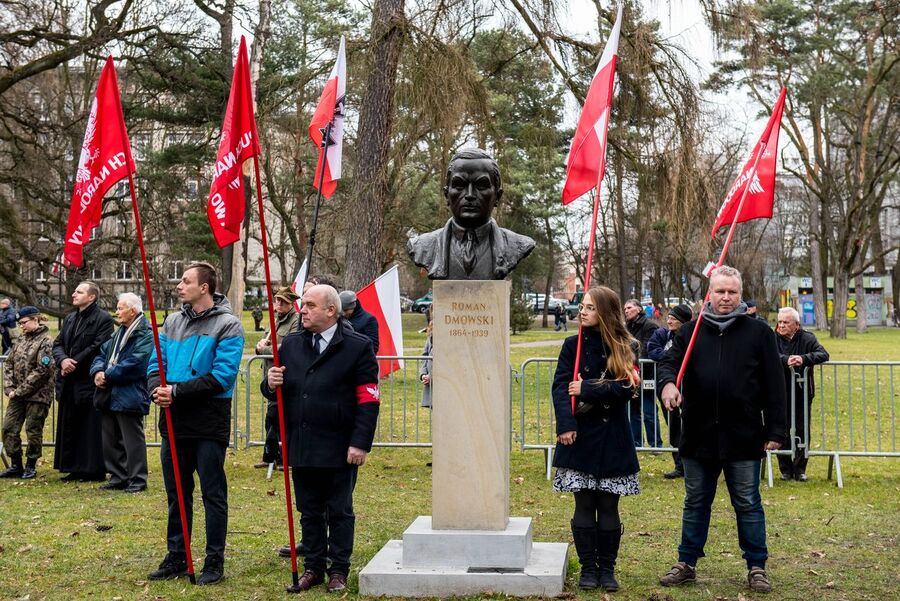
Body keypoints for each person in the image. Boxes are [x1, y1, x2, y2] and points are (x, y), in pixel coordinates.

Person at [656, 265, 786, 594]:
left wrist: (775, 430)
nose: (726, 297)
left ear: (740, 295)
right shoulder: (689, 331)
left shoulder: (759, 333)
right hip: (698, 433)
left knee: (747, 502)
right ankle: (686, 562)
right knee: (696, 501)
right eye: (720, 291)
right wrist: (668, 384)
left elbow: (775, 384)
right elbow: (667, 362)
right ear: (708, 294)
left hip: (743, 435)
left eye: (732, 292)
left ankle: (757, 565)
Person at [263, 284, 380, 593]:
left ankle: (338, 569)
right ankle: (314, 566)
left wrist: (360, 442)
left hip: (340, 444)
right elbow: (276, 390)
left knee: (339, 510)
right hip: (301, 441)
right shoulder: (290, 344)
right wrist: (269, 382)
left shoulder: (357, 345)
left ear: (331, 311)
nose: (303, 310)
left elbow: (369, 399)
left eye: (311, 305)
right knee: (309, 509)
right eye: (303, 304)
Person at [146, 263, 244, 586]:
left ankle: (214, 560)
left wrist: (175, 391)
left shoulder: (229, 326)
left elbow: (221, 377)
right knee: (177, 493)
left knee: (212, 494)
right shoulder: (172, 322)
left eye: (186, 280)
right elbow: (154, 362)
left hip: (208, 423)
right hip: (173, 423)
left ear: (205, 287)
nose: (179, 285)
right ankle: (177, 554)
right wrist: (155, 389)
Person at [551, 286, 641, 592]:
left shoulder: (624, 346)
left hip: (613, 438)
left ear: (604, 311)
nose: (583, 311)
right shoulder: (571, 345)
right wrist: (565, 424)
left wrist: (588, 388)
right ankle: (588, 568)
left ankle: (608, 569)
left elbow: (627, 388)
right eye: (582, 307)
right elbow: (561, 386)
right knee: (584, 505)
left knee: (609, 507)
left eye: (590, 307)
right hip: (579, 436)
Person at [407, 148, 535, 280]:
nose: (469, 195)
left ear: (497, 195)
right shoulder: (422, 246)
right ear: (447, 194)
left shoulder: (518, 244)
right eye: (459, 185)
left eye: (481, 186)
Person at [89, 293, 153, 493]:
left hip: (130, 392)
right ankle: (118, 476)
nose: (116, 312)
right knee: (110, 436)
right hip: (110, 392)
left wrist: (106, 375)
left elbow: (137, 362)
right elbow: (101, 353)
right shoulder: (118, 333)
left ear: (132, 311)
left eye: (120, 308)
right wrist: (97, 371)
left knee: (131, 438)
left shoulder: (145, 333)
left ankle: (137, 479)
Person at [52, 281, 114, 481]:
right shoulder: (70, 318)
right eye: (75, 291)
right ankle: (73, 466)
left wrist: (74, 362)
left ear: (91, 297)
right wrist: (63, 360)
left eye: (79, 292)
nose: (74, 294)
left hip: (87, 380)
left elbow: (98, 347)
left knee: (89, 427)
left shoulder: (103, 319)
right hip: (68, 381)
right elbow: (58, 343)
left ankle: (92, 469)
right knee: (70, 424)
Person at [775, 307, 829, 481]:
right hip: (779, 393)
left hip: (802, 393)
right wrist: (784, 359)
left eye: (786, 322)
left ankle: (799, 469)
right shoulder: (771, 337)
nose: (781, 325)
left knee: (802, 429)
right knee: (780, 430)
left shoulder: (807, 338)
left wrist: (803, 358)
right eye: (780, 322)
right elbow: (764, 355)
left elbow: (823, 354)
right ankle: (785, 469)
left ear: (796, 325)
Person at [0, 307, 54, 479]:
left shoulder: (46, 341)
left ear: (35, 319)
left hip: (38, 395)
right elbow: (8, 364)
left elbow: (43, 370)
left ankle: (30, 465)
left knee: (33, 431)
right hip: (16, 395)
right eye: (19, 323)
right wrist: (9, 388)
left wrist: (20, 390)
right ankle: (16, 465)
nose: (21, 326)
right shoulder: (21, 340)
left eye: (24, 322)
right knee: (9, 428)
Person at [255, 286, 301, 468]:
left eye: (283, 302)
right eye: (277, 300)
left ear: (291, 304)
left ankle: (285, 457)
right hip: (270, 376)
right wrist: (262, 344)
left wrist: (262, 349)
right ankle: (271, 457)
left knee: (280, 417)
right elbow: (268, 341)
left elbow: (287, 347)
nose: (279, 304)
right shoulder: (276, 321)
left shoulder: (296, 321)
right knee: (271, 418)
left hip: (285, 375)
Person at [646, 303, 693, 479]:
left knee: (690, 425)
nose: (670, 320)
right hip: (667, 385)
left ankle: (693, 465)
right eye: (669, 317)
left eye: (674, 318)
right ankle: (679, 464)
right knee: (673, 425)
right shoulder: (661, 334)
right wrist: (674, 357)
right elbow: (652, 350)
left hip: (688, 387)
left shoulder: (689, 335)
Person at [623, 298, 661, 448]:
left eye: (629, 307)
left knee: (649, 412)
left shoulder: (650, 326)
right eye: (625, 308)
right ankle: (636, 443)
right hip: (630, 374)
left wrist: (637, 368)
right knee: (633, 411)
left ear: (639, 309)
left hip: (647, 374)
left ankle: (655, 444)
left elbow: (645, 350)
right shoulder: (626, 327)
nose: (626, 311)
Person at [419, 320, 433, 409]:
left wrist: (432, 376)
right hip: (429, 381)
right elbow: (425, 356)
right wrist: (423, 374)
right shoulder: (430, 337)